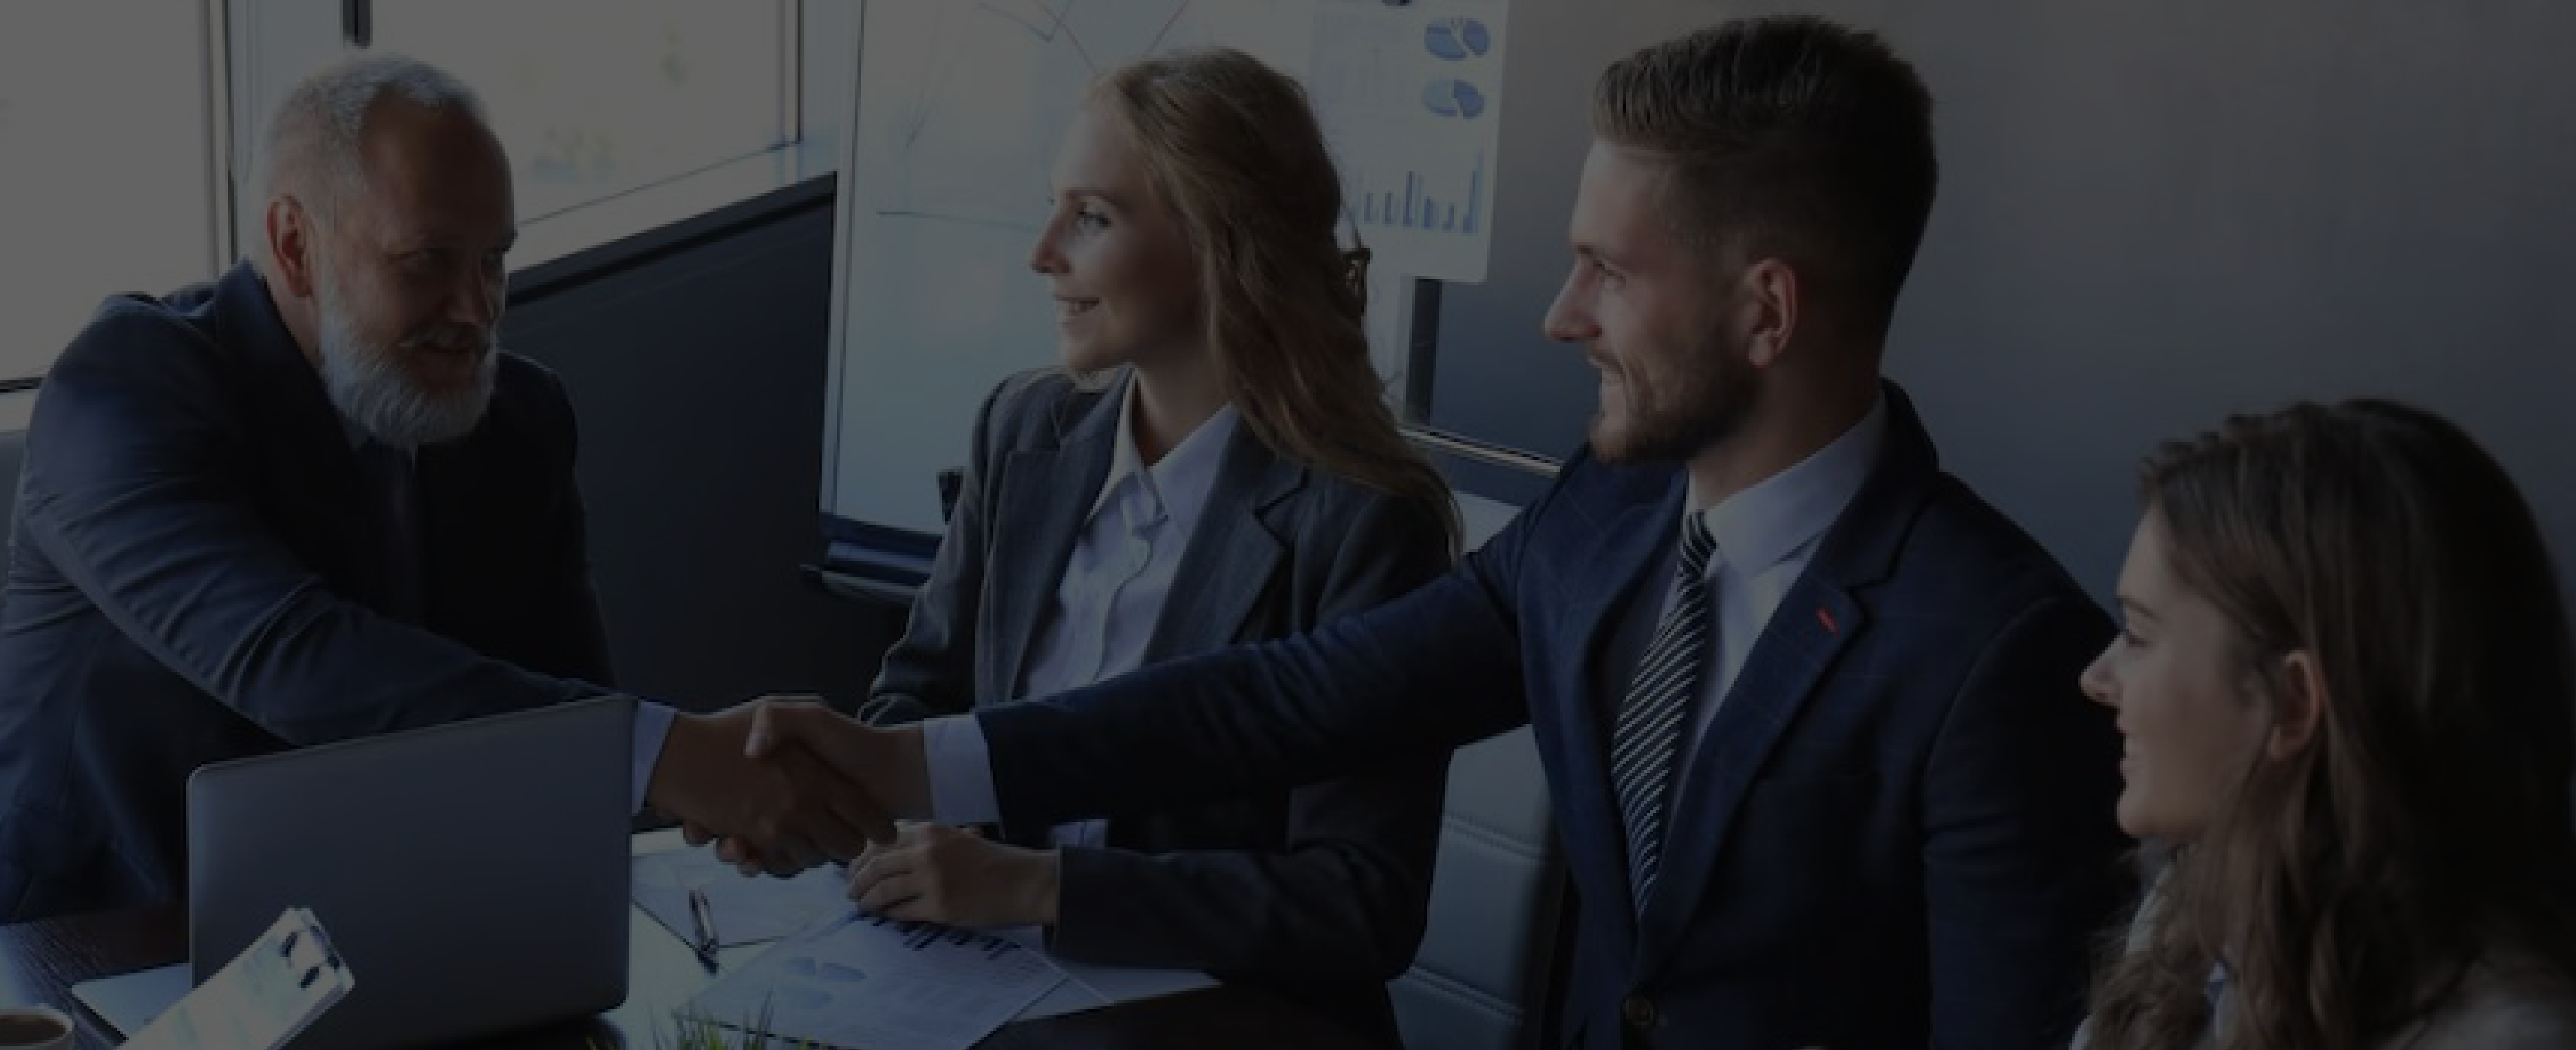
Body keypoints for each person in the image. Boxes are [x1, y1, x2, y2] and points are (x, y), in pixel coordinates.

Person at [712, 15, 2135, 1049]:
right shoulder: (1607, 520)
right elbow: (1284, 697)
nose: (1557, 314)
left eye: (1603, 270)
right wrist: (912, 754)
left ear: (1764, 311)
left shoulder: (2001, 654)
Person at [0, 52, 887, 936]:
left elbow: (560, 708)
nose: (478, 308)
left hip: (381, 947)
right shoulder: (121, 388)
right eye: (429, 261)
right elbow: (287, 653)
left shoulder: (520, 420)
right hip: (74, 956)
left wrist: (718, 790)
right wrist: (670, 757)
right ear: (293, 244)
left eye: (495, 258)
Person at [841, 46, 1462, 1042]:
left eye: (1089, 217)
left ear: (1216, 246)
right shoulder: (1023, 432)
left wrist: (1038, 886)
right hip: (990, 998)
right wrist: (930, 831)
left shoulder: (1360, 519)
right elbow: (916, 697)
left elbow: (1357, 902)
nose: (1041, 251)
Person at [2070, 401, 2576, 1048]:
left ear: (2292, 701)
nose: (2096, 677)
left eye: (2138, 636)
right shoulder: (2191, 916)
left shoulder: (2510, 1037)